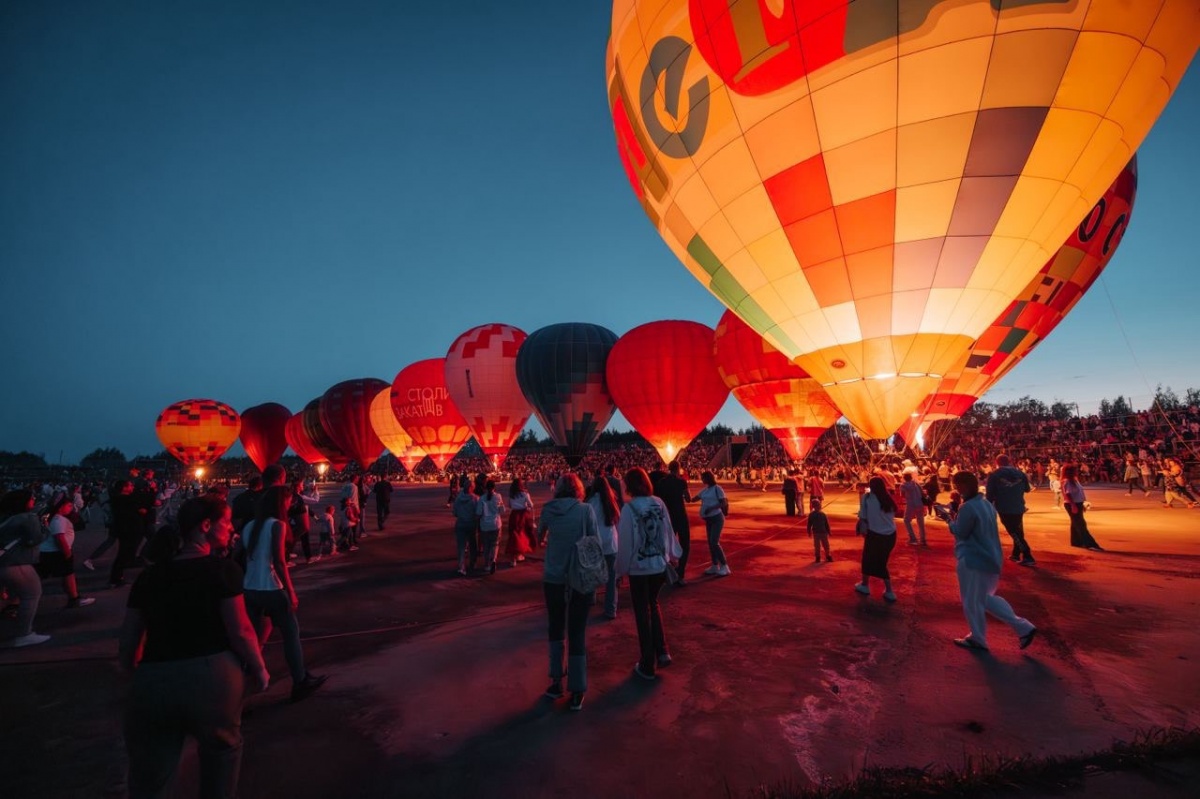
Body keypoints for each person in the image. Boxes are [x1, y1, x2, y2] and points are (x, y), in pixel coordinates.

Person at [118, 494, 269, 799]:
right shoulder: (222, 570)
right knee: (220, 757)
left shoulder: (149, 577)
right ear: (205, 526)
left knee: (150, 776)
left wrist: (140, 676)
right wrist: (259, 668)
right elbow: (240, 630)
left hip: (154, 679)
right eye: (225, 522)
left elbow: (129, 643)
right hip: (212, 677)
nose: (231, 529)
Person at [241, 486, 327, 702]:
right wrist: (290, 591)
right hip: (271, 587)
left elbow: (243, 556)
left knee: (251, 638)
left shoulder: (250, 526)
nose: (290, 505)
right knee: (291, 634)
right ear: (281, 504)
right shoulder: (277, 525)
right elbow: (279, 562)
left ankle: (241, 688)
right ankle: (300, 681)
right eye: (288, 502)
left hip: (249, 589)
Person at [947, 471, 1038, 652]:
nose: (956, 489)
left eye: (957, 486)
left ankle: (978, 637)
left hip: (973, 558)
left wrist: (949, 520)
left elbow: (961, 532)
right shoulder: (986, 504)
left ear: (964, 486)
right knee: (985, 598)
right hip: (991, 557)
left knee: (972, 601)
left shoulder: (968, 507)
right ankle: (1023, 627)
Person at [537, 473, 599, 711]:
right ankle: (577, 689)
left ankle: (555, 682)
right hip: (579, 578)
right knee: (577, 631)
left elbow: (538, 537)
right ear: (579, 490)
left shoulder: (548, 509)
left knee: (555, 627)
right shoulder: (586, 511)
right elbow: (594, 541)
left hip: (553, 577)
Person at [616, 467, 680, 682]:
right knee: (654, 605)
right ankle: (662, 651)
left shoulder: (629, 509)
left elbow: (625, 542)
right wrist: (673, 553)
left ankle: (647, 663)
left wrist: (619, 570)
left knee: (643, 613)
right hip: (659, 567)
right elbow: (668, 530)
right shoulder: (659, 503)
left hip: (639, 569)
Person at [0, 489, 50, 647]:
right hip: (16, 562)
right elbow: (35, 539)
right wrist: (45, 527)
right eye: (32, 498)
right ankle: (24, 634)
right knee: (32, 595)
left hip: (4, 561)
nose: (34, 500)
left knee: (11, 596)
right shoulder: (28, 517)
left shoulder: (7, 517)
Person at [37, 493, 96, 608]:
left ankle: (14, 601)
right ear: (61, 507)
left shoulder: (55, 518)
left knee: (48, 575)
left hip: (48, 552)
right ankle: (74, 599)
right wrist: (67, 553)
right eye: (68, 506)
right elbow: (59, 537)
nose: (71, 508)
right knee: (67, 574)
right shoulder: (59, 520)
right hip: (55, 552)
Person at [985, 454, 1035, 565]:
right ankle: (1016, 554)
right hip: (1019, 506)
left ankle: (1027, 555)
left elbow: (989, 495)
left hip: (1004, 507)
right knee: (1018, 531)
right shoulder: (1020, 474)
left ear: (997, 463)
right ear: (1009, 461)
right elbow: (1027, 489)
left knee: (1013, 532)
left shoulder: (994, 475)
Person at [855, 477, 898, 601]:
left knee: (868, 559)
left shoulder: (867, 498)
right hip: (890, 535)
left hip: (875, 534)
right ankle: (888, 590)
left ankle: (866, 585)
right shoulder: (887, 498)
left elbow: (863, 516)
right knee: (881, 562)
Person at [586, 474, 621, 620]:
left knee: (592, 572)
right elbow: (618, 519)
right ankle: (611, 609)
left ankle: (591, 599)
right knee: (611, 579)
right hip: (611, 542)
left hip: (595, 542)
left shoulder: (590, 503)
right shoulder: (612, 501)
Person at [652, 460, 692, 585]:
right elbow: (688, 499)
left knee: (666, 544)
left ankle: (665, 572)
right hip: (680, 515)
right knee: (684, 544)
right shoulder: (681, 482)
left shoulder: (661, 483)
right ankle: (680, 574)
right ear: (678, 468)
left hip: (667, 517)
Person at [696, 471, 730, 576]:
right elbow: (693, 499)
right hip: (708, 519)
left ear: (707, 478)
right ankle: (715, 565)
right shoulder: (705, 490)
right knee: (710, 543)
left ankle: (725, 565)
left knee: (714, 542)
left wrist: (711, 508)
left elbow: (723, 502)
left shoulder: (717, 488)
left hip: (717, 518)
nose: (702, 480)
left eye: (703, 478)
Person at [1062, 465, 1103, 550]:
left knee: (1075, 523)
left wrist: (1083, 503)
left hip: (1078, 503)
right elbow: (1068, 494)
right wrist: (1073, 505)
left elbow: (1080, 493)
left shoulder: (1074, 480)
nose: (1077, 471)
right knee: (1081, 524)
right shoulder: (1068, 481)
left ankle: (1076, 542)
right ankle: (1090, 543)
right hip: (1072, 504)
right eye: (1075, 470)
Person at [476, 480, 506, 575]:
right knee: (495, 544)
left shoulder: (482, 498)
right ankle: (493, 560)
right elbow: (502, 510)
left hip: (485, 525)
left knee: (486, 546)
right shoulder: (498, 497)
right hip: (495, 524)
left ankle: (487, 565)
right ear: (494, 487)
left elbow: (478, 513)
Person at [505, 478, 536, 568]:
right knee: (523, 534)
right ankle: (519, 554)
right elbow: (531, 505)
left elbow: (509, 505)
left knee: (514, 536)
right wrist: (526, 507)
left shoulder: (511, 495)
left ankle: (514, 557)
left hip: (514, 515)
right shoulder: (525, 494)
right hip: (523, 515)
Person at [450, 476, 477, 576]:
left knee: (461, 547)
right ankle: (472, 563)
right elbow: (477, 512)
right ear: (470, 488)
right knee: (472, 545)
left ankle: (461, 567)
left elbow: (455, 513)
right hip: (471, 524)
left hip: (460, 523)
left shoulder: (458, 499)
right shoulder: (475, 499)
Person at [899, 473, 926, 546]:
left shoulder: (903, 485)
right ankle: (923, 539)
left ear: (904, 478)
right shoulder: (916, 484)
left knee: (906, 520)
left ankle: (913, 537)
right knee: (920, 522)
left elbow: (902, 495)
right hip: (919, 503)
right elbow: (922, 493)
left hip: (910, 504)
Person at [807, 498, 832, 563]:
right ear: (814, 507)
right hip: (817, 533)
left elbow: (826, 524)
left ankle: (828, 555)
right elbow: (809, 524)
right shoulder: (812, 515)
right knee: (817, 546)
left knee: (826, 545)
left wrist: (829, 531)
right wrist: (809, 531)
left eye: (819, 505)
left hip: (823, 532)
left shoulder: (823, 514)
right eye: (817, 505)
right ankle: (818, 557)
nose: (818, 506)